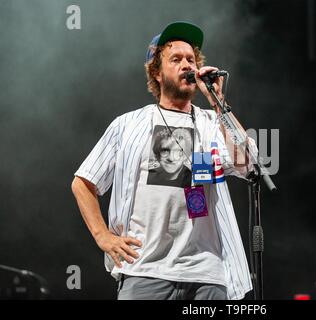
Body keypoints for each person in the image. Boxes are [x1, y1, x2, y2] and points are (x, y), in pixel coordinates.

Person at [71, 21, 255, 300]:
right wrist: (103, 236)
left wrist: (218, 102)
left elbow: (248, 162)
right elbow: (83, 182)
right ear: (156, 72)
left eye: (191, 59)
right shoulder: (128, 125)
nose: (187, 65)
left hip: (207, 274)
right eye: (176, 59)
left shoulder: (212, 122)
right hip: (145, 270)